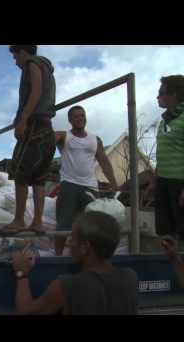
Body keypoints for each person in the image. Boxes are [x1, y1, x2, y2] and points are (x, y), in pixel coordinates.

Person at [11, 211, 138, 315]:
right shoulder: (130, 278)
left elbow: (26, 311)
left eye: (72, 238)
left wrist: (21, 273)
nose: (69, 243)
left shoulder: (66, 286)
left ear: (84, 247)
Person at [0, 45, 56, 236]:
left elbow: (36, 91)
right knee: (39, 177)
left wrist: (22, 119)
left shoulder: (32, 64)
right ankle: (37, 221)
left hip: (35, 126)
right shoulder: (47, 68)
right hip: (47, 126)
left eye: (15, 57)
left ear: (23, 51)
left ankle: (18, 220)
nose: (16, 62)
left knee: (20, 169)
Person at [54, 105, 118, 255]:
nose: (80, 118)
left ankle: (88, 255)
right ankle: (57, 255)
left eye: (82, 115)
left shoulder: (95, 139)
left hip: (90, 187)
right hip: (69, 184)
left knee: (90, 224)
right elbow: (47, 138)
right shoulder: (64, 136)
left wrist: (114, 183)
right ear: (70, 120)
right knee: (64, 223)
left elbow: (104, 161)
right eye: (76, 116)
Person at [145, 75, 184, 244]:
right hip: (163, 183)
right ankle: (170, 267)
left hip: (180, 184)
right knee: (164, 232)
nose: (158, 97)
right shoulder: (165, 121)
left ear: (174, 94)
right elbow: (162, 153)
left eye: (161, 93)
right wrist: (154, 181)